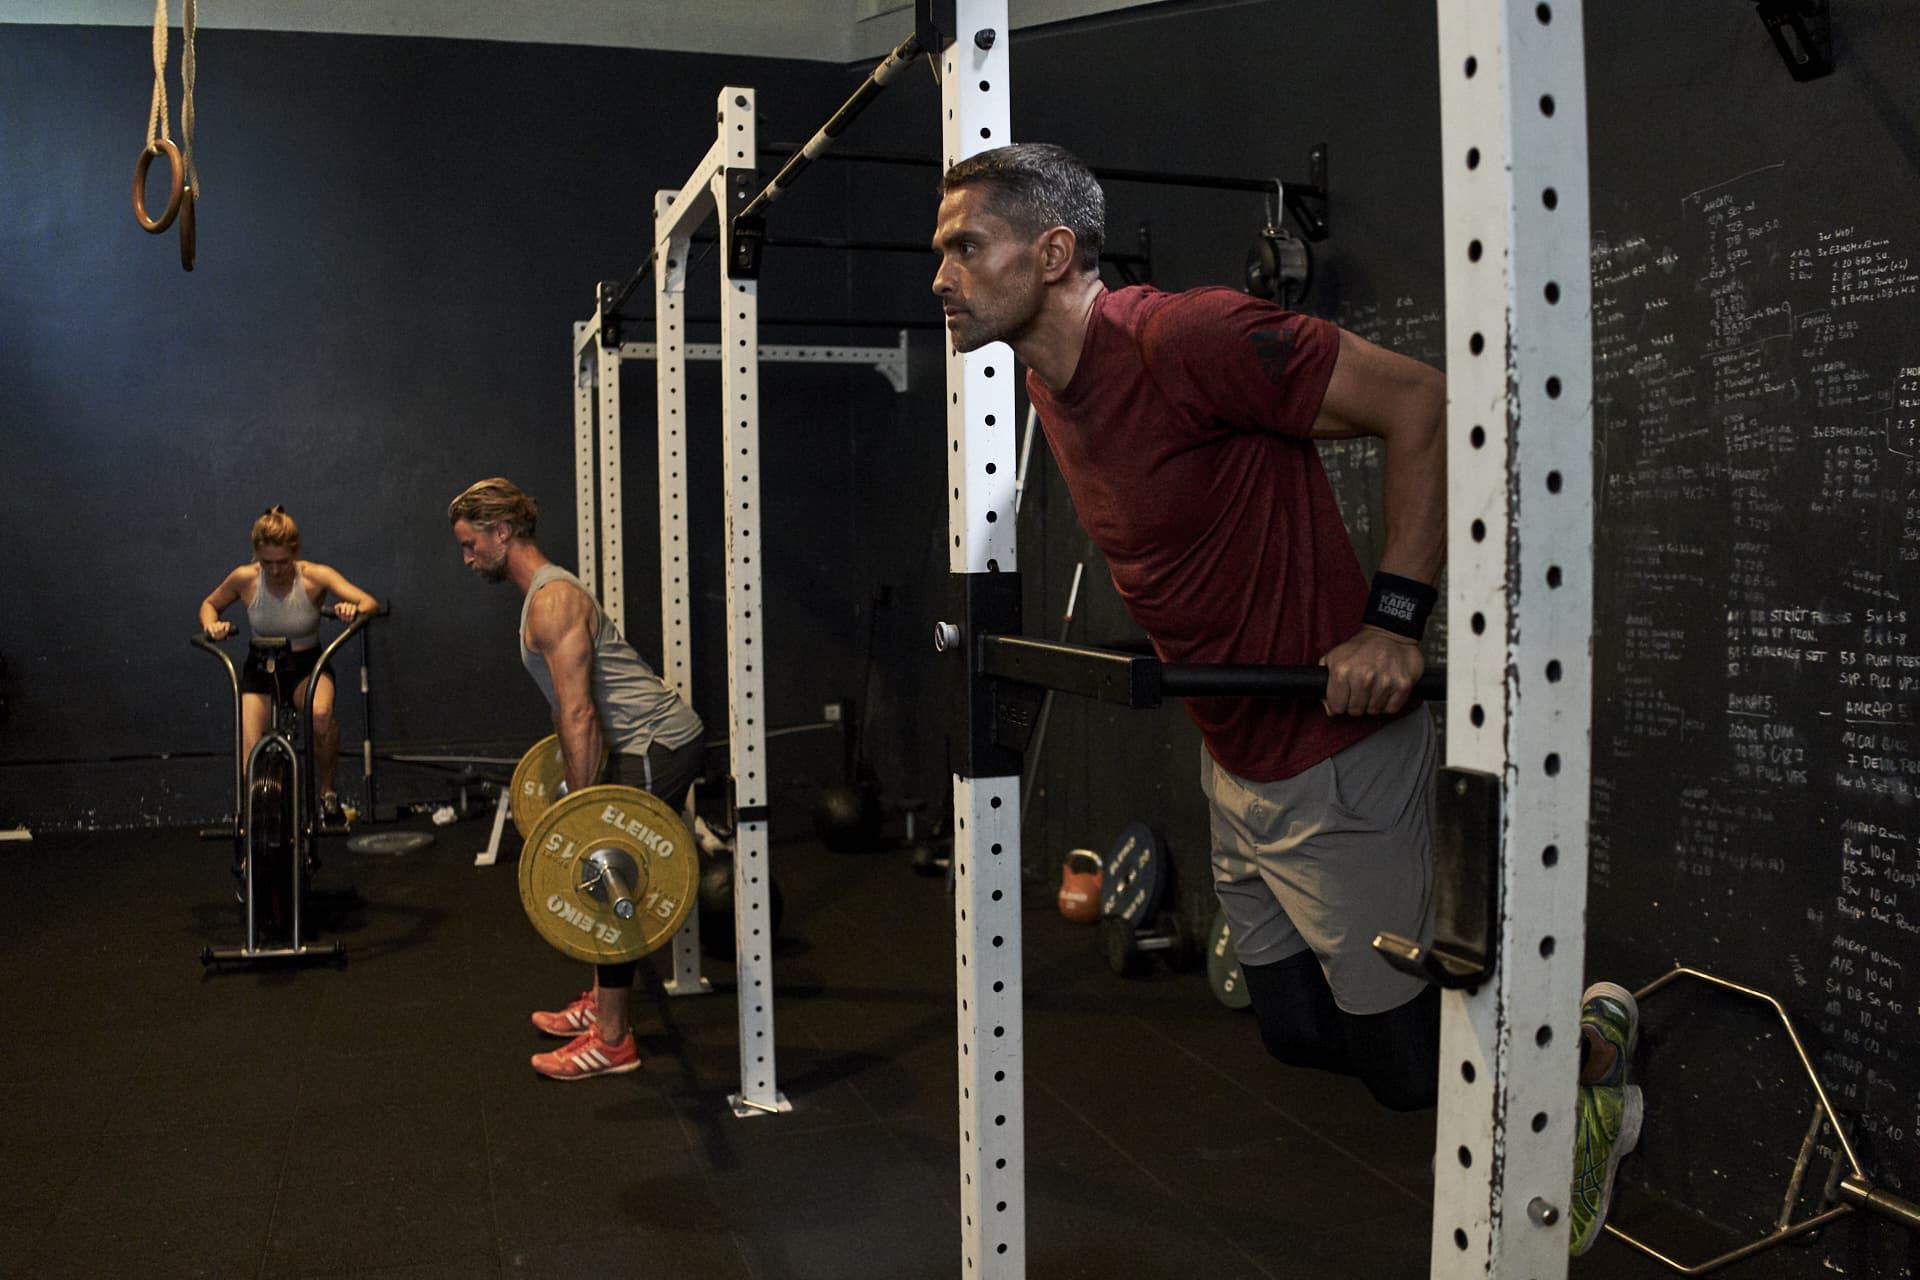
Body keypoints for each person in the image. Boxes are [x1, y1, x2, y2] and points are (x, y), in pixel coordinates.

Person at [930, 143, 1640, 1255]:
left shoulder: (1185, 334)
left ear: (1055, 251)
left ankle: (1587, 1057)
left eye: (965, 246)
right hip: (1236, 756)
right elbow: (1270, 443)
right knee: (1292, 1031)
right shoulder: (1047, 379)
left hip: (1335, 750)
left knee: (1410, 1073)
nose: (942, 273)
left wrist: (1393, 619)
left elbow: (1424, 403)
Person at [448, 477, 707, 1082]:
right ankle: (603, 1002)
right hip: (641, 743)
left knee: (607, 871)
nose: (467, 558)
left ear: (502, 532)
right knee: (603, 866)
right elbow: (569, 711)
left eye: (470, 544)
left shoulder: (552, 600)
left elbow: (580, 712)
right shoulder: (541, 595)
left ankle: (613, 1041)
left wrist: (583, 809)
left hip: (656, 746)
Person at [199, 505, 378, 828]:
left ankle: (328, 794)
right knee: (249, 759)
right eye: (268, 563)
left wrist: (350, 609)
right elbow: (210, 605)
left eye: (282, 562)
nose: (276, 570)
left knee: (321, 716)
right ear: (257, 555)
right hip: (261, 667)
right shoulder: (244, 578)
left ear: (293, 554)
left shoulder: (314, 576)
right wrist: (213, 625)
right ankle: (255, 820)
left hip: (307, 665)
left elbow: (369, 603)